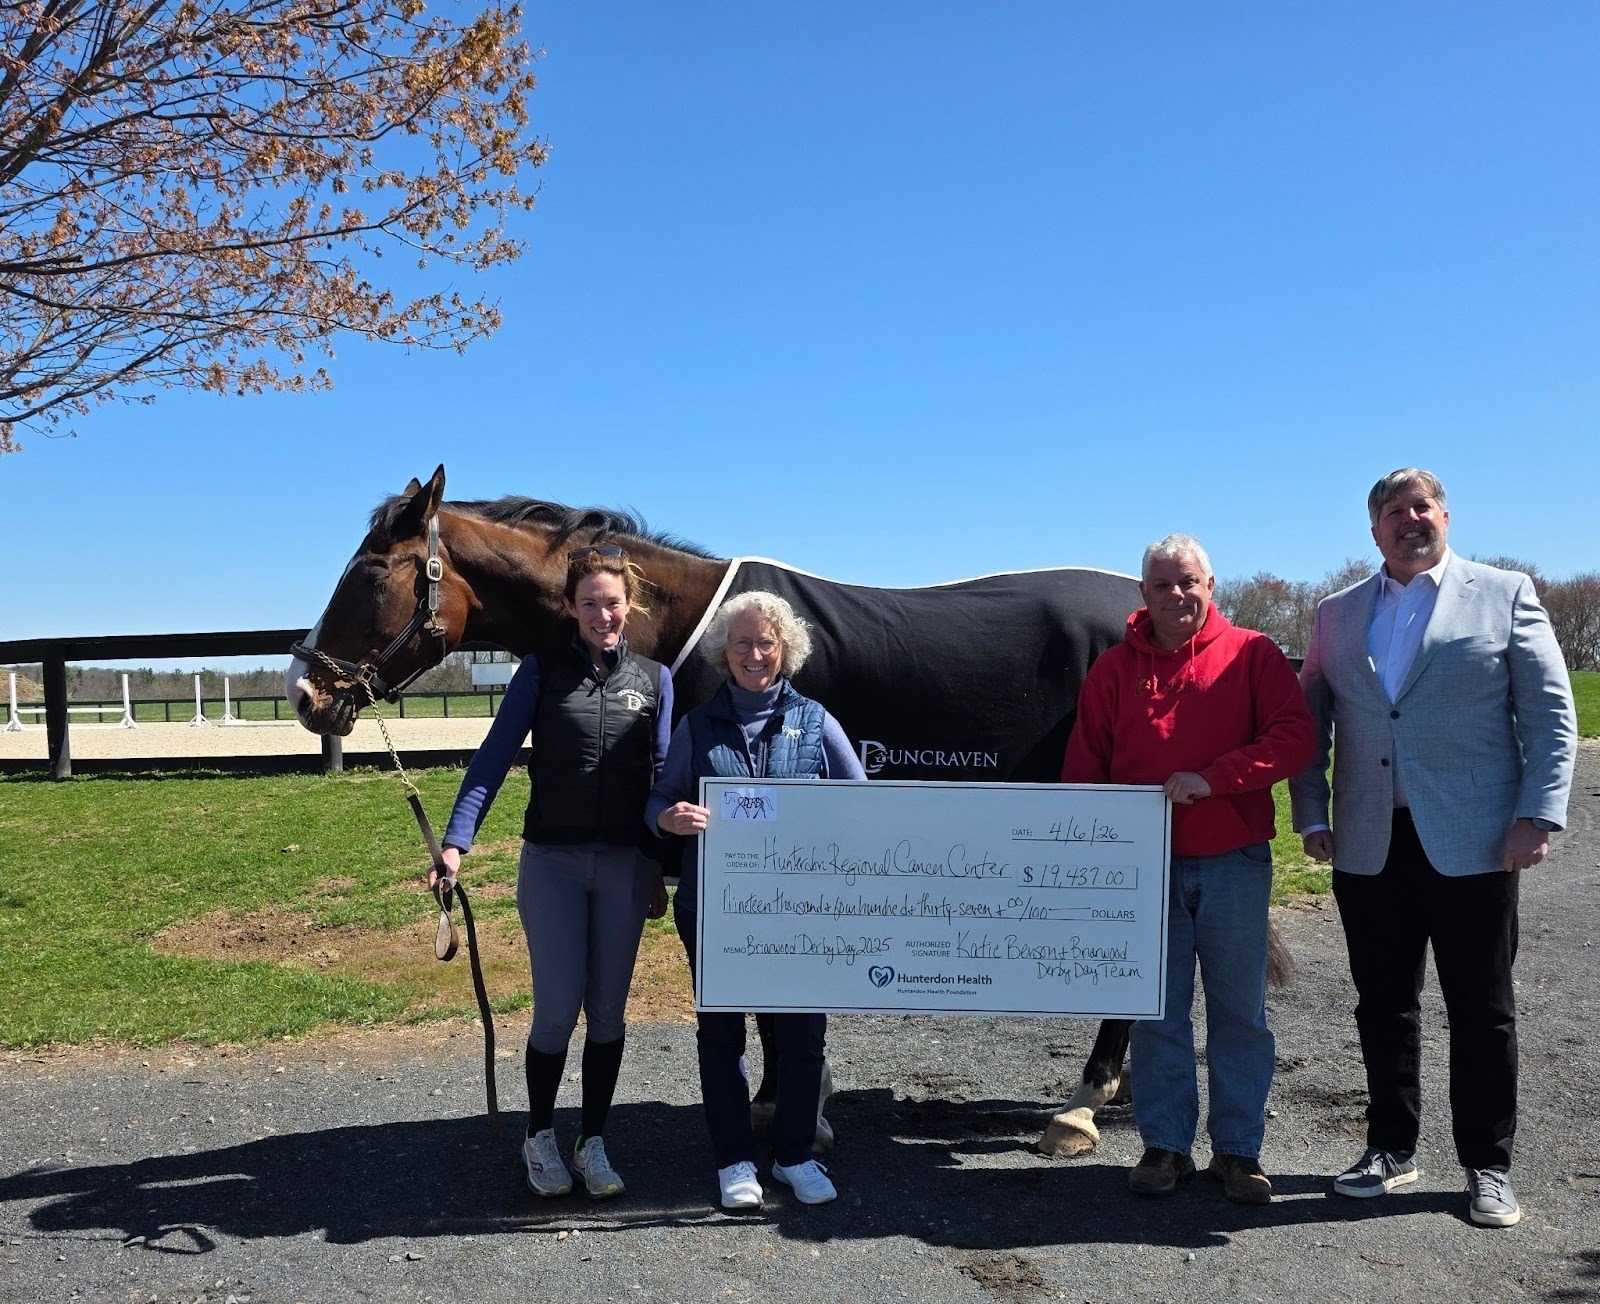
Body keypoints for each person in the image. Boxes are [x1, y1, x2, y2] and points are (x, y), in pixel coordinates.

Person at [1291, 468, 1576, 1228]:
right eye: (1393, 511)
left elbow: (1552, 712)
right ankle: (1390, 1148)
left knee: (1482, 1009)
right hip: (1368, 842)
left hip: (1477, 841)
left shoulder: (1505, 592)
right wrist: (1312, 814)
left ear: (1445, 516)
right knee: (1383, 1006)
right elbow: (1308, 722)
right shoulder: (1336, 614)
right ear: (1374, 529)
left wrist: (1538, 816)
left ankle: (1487, 1165)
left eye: (1422, 506)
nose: (1410, 519)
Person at [1061, 534, 1315, 1205]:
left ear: (1211, 585)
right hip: (1146, 870)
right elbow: (1086, 767)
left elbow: (1294, 738)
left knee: (1240, 1013)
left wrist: (1216, 779)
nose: (1179, 595)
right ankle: (1166, 1146)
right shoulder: (1115, 671)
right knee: (1158, 1014)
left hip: (1234, 862)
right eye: (1164, 585)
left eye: (1190, 582)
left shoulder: (1253, 655)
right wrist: (1092, 850)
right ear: (1144, 594)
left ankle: (1238, 1152)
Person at [432, 544, 672, 1200]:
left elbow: (662, 779)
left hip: (624, 867)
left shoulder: (655, 681)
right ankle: (540, 1134)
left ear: (631, 607)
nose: (602, 614)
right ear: (570, 606)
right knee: (557, 1012)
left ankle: (592, 1140)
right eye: (589, 603)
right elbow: (491, 761)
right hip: (553, 867)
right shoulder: (539, 673)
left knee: (611, 1015)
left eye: (613, 603)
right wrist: (456, 844)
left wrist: (659, 861)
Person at [647, 591, 866, 1211]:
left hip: (801, 914)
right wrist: (672, 819)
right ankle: (734, 1158)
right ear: (723, 651)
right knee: (722, 1037)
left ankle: (795, 1155)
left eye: (765, 642)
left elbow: (862, 801)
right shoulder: (697, 725)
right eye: (741, 643)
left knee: (802, 1037)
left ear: (785, 649)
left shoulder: (816, 721)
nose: (753, 654)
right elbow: (656, 800)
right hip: (716, 912)